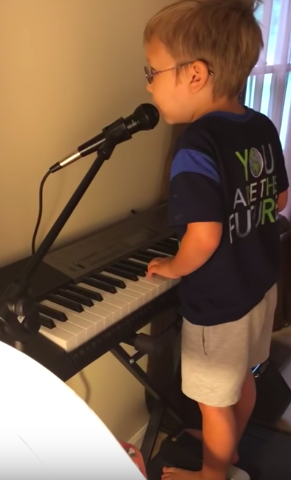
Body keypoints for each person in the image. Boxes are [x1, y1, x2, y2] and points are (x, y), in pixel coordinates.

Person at [143, 1, 289, 479]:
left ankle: (213, 474)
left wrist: (173, 266)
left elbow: (202, 237)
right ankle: (225, 450)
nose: (148, 84)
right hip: (261, 287)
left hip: (220, 304)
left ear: (195, 75)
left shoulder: (196, 143)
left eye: (152, 70)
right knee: (241, 381)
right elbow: (281, 198)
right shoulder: (260, 125)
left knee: (212, 403)